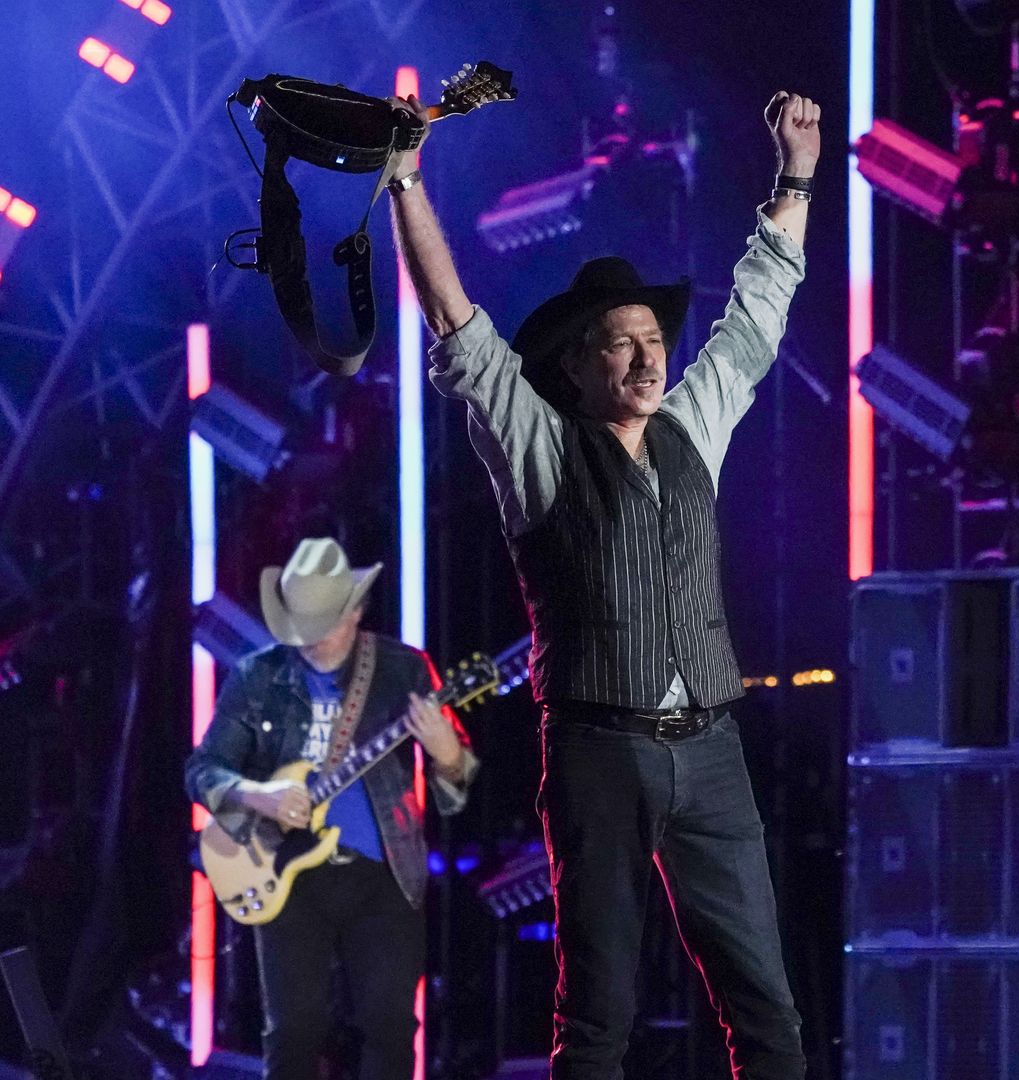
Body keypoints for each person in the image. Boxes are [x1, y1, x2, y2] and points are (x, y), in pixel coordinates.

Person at [387, 89, 820, 1079]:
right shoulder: (540, 448)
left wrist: (794, 176)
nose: (644, 355)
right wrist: (407, 183)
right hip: (599, 750)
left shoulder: (692, 428)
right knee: (598, 1018)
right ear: (577, 367)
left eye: (653, 339)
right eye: (618, 342)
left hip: (710, 749)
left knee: (768, 1013)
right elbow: (458, 325)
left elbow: (758, 313)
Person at [185, 537, 480, 1080]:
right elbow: (202, 770)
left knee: (390, 1028)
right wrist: (258, 794)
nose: (311, 639)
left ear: (356, 610)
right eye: (302, 624)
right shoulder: (258, 676)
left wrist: (448, 757)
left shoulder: (403, 670)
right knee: (293, 1033)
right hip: (285, 877)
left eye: (323, 622)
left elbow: (458, 784)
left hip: (384, 876)